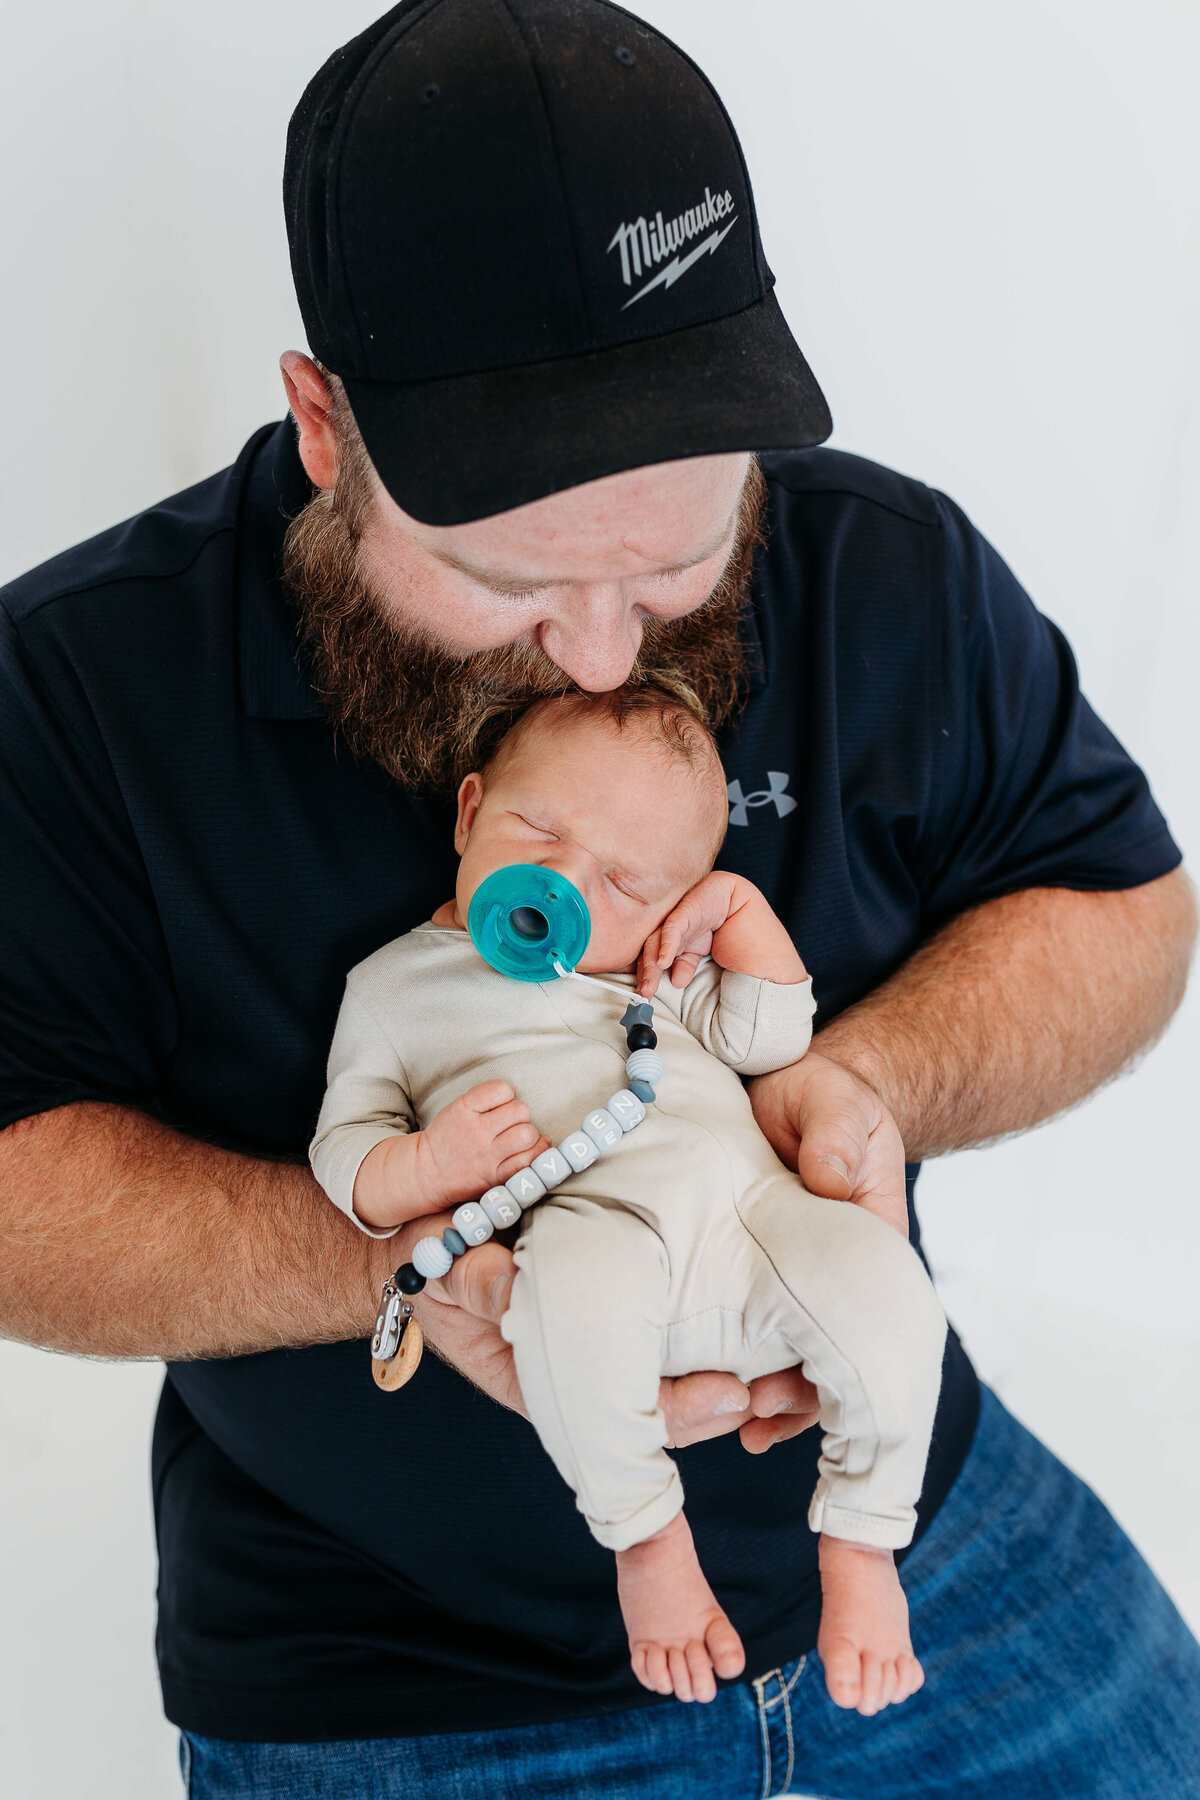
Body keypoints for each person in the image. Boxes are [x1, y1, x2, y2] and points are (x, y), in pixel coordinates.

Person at [0, 1, 1196, 1795]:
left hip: (938, 1551)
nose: (601, 648)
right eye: (507, 576)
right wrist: (417, 1257)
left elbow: (1123, 907)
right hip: (400, 1678)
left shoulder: (888, 566)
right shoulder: (75, 693)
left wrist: (867, 1087)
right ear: (325, 427)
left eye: (675, 556)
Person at [308, 686, 947, 1711]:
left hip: (753, 1224)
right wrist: (427, 1166)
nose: (564, 880)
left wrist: (740, 918)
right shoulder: (394, 989)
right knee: (560, 1294)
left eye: (621, 880)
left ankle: (864, 1541)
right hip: (598, 1233)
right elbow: (347, 1155)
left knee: (888, 1288)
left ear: (670, 908)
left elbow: (771, 1041)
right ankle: (647, 1536)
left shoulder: (652, 976)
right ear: (469, 814)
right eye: (538, 828)